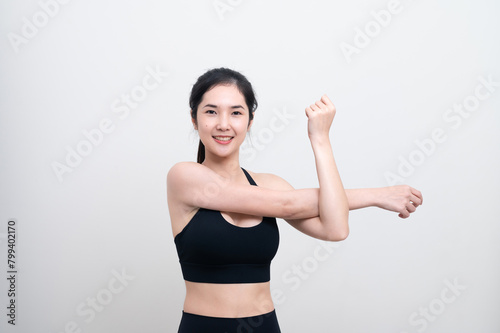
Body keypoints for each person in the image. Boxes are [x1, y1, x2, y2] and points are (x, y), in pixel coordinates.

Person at [167, 68, 423, 332]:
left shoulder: (270, 185)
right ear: (194, 119)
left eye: (236, 112)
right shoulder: (184, 177)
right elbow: (286, 205)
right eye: (211, 111)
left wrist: (320, 139)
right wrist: (378, 195)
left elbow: (335, 228)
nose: (223, 124)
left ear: (250, 120)